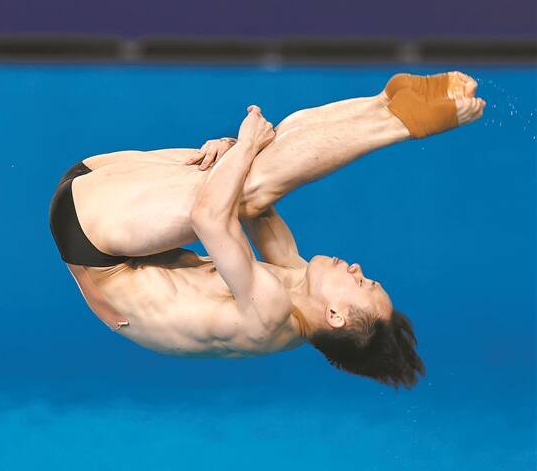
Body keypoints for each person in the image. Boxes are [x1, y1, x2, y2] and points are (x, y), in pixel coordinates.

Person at [49, 71, 485, 388]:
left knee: (250, 182)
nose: (357, 268)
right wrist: (236, 153)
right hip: (95, 188)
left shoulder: (269, 314)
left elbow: (208, 216)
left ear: (335, 316)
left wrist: (244, 147)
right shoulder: (295, 288)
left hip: (92, 234)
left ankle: (399, 123)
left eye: (361, 283)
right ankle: (383, 102)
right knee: (258, 169)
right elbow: (256, 209)